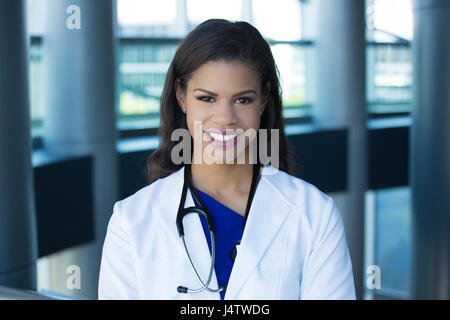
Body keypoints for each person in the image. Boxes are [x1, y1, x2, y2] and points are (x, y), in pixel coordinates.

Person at [98, 19, 356, 300]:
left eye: (242, 100)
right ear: (181, 96)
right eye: (207, 98)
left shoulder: (315, 215)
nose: (224, 118)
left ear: (264, 101)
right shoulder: (131, 221)